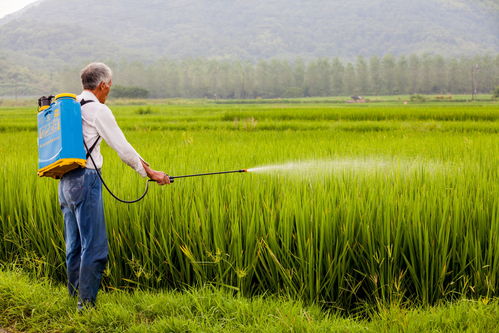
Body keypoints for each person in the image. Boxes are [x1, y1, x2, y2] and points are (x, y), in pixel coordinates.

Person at [58, 62, 169, 311]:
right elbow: (123, 148)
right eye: (110, 86)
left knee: (74, 244)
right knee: (95, 247)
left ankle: (74, 296)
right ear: (103, 85)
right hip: (86, 180)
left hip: (65, 180)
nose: (109, 91)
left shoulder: (71, 105)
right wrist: (149, 173)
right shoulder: (98, 111)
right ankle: (85, 306)